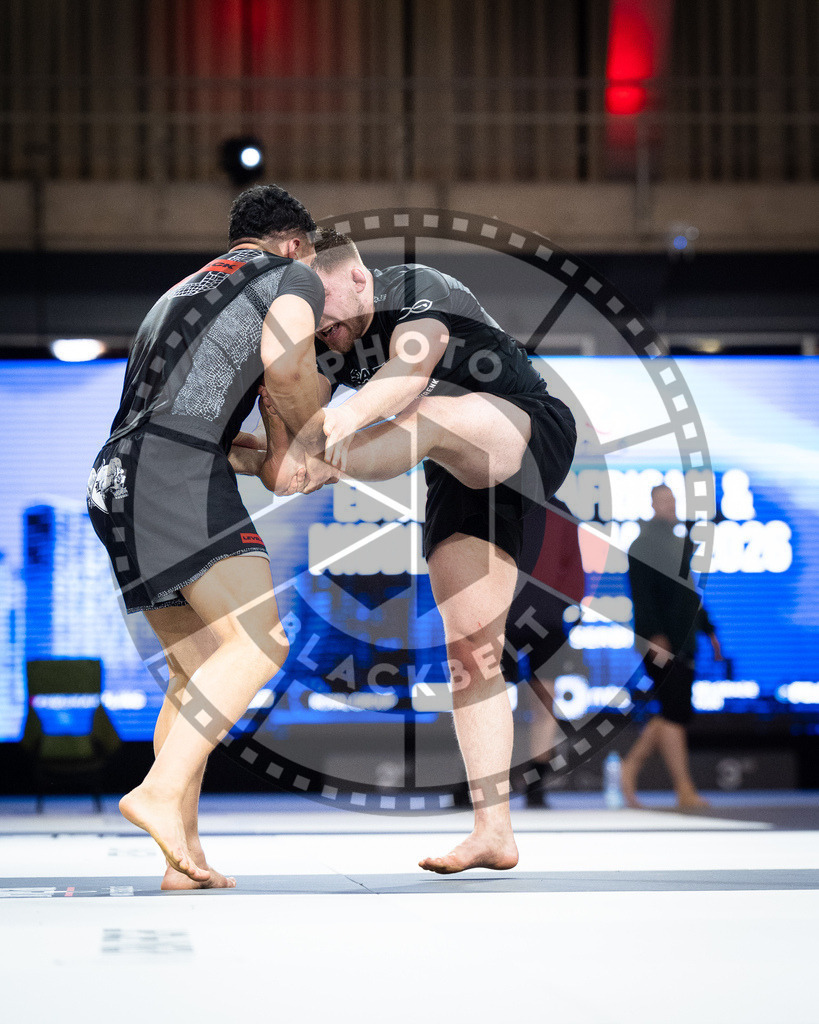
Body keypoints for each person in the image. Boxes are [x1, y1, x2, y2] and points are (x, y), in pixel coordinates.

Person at [250, 228, 576, 872]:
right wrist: (271, 443)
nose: (325, 332)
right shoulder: (327, 340)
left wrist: (339, 427)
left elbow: (406, 375)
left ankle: (326, 469)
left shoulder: (423, 292)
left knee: (428, 413)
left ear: (360, 280)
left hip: (524, 429)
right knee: (472, 649)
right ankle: (494, 831)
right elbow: (303, 413)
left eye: (328, 315)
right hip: (460, 478)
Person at [87, 184, 329, 888]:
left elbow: (201, 425)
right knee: (261, 641)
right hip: (174, 475)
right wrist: (317, 422)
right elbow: (289, 370)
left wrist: (269, 446)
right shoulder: (289, 277)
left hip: (115, 478)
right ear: (293, 243)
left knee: (195, 674)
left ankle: (180, 862)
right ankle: (158, 794)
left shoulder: (181, 291)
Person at [620, 484, 722, 810]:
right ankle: (684, 789)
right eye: (665, 500)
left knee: (671, 712)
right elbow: (642, 595)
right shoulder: (642, 545)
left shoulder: (678, 544)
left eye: (673, 500)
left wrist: (710, 631)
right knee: (675, 714)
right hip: (661, 643)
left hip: (685, 641)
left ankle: (629, 768)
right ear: (652, 503)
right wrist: (654, 635)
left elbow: (688, 595)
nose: (671, 505)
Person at [501, 497, 585, 808]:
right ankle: (483, 778)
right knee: (489, 699)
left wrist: (560, 605)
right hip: (500, 617)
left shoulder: (559, 510)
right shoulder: (497, 501)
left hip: (546, 620)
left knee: (544, 700)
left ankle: (536, 781)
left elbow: (572, 564)